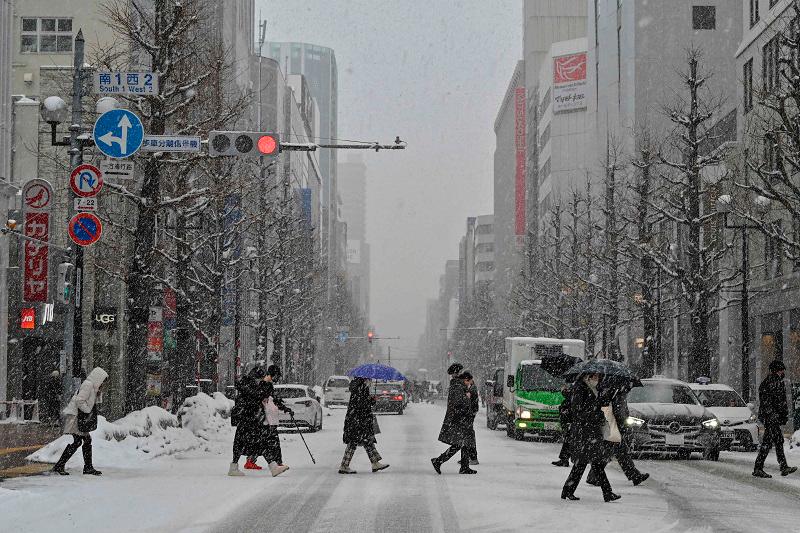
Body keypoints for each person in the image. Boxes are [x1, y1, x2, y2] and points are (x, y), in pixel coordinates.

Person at [560, 373, 620, 502]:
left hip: (591, 432)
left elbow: (597, 405)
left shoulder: (593, 389)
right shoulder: (580, 388)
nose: (597, 380)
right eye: (595, 377)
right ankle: (606, 493)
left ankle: (569, 491)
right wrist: (595, 414)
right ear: (588, 377)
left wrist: (606, 399)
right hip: (584, 432)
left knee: (592, 463)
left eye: (598, 378)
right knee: (587, 463)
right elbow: (578, 411)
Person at [229, 364, 293, 477]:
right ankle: (273, 467)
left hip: (248, 419)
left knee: (244, 443)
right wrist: (262, 395)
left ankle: (234, 467)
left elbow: (261, 397)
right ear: (256, 377)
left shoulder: (247, 385)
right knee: (259, 443)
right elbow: (254, 399)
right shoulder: (250, 387)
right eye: (260, 378)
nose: (261, 380)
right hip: (250, 419)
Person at [587, 382, 649, 486]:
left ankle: (634, 476)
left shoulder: (615, 390)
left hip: (611, 425)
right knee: (612, 453)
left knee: (619, 452)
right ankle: (593, 476)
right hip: (614, 426)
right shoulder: (619, 392)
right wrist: (623, 425)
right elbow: (619, 412)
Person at [52, 367, 108, 476]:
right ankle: (66, 466)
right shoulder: (88, 385)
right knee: (81, 441)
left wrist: (99, 393)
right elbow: (79, 400)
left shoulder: (93, 387)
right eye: (103, 381)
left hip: (78, 416)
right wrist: (87, 411)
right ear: (98, 378)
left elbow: (94, 402)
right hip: (75, 416)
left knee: (83, 440)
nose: (103, 384)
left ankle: (82, 467)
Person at [753, 360, 797, 478]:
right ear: (777, 370)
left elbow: (779, 402)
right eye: (781, 370)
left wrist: (781, 415)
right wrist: (774, 415)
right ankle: (758, 468)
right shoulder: (772, 383)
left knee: (778, 441)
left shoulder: (774, 382)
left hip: (772, 417)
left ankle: (783, 467)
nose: (783, 372)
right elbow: (772, 402)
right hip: (771, 418)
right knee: (768, 443)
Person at [431, 363, 476, 475]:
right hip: (458, 419)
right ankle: (438, 460)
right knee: (459, 443)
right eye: (460, 371)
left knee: (465, 443)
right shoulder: (457, 386)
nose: (461, 373)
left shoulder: (459, 385)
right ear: (456, 373)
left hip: (462, 418)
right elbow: (458, 403)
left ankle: (464, 467)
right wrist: (467, 398)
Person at [339, 377, 389, 474]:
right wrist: (371, 400)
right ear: (365, 379)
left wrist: (369, 400)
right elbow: (362, 405)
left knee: (367, 441)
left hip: (355, 420)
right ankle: (344, 466)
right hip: (359, 421)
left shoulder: (357, 387)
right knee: (354, 443)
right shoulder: (362, 388)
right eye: (369, 380)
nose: (370, 382)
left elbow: (359, 403)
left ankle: (375, 463)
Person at [552, 383, 573, 467]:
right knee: (568, 441)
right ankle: (564, 459)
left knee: (569, 441)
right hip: (571, 422)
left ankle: (565, 459)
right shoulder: (569, 399)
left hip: (573, 422)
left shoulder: (572, 397)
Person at [463, 372, 480, 465]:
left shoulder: (472, 389)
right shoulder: (471, 388)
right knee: (467, 435)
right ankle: (467, 457)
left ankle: (472, 458)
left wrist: (471, 412)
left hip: (470, 414)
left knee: (469, 435)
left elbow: (471, 402)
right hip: (470, 413)